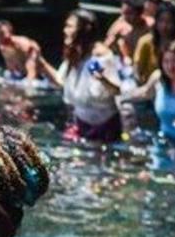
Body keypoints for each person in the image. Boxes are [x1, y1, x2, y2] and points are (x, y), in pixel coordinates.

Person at [40, 9, 124, 142]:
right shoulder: (74, 53)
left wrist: (103, 79)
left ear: (85, 29)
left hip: (105, 128)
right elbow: (60, 81)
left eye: (70, 26)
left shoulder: (100, 56)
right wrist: (41, 63)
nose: (65, 30)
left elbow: (117, 90)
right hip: (81, 125)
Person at [133, 1, 175, 83]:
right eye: (161, 21)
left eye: (169, 22)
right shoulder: (146, 42)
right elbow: (137, 69)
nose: (164, 26)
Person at [104, 0, 148, 67]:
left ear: (139, 14)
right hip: (124, 65)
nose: (124, 16)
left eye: (128, 13)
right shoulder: (120, 24)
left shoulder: (148, 27)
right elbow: (106, 45)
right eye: (123, 12)